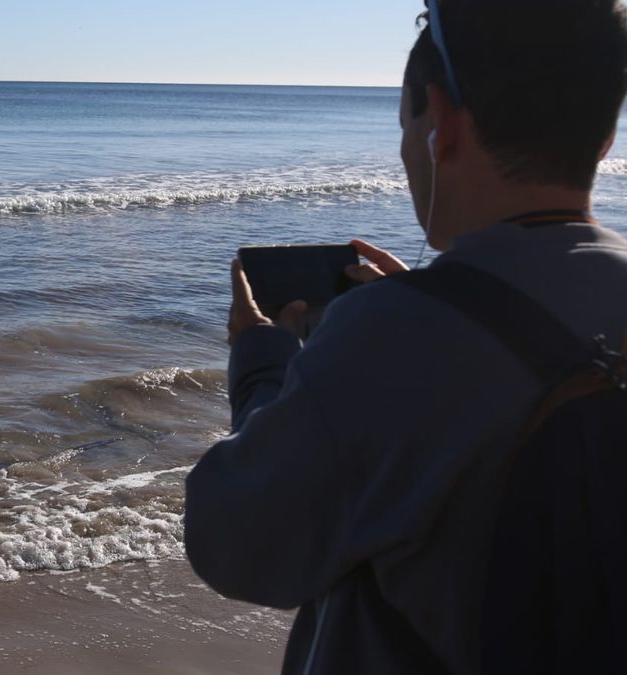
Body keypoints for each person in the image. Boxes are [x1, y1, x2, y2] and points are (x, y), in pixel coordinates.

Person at [183, 1, 627, 673]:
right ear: (603, 137)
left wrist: (261, 358)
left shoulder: (391, 336)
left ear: (440, 121)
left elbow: (235, 539)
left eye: (405, 120)